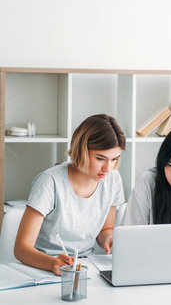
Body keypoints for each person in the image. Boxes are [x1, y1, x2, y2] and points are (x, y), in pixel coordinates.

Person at [14, 114, 126, 275]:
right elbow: (21, 248)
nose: (108, 168)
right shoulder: (49, 182)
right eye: (100, 158)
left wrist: (109, 239)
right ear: (81, 149)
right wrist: (53, 263)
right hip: (44, 268)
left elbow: (105, 229)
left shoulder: (113, 179)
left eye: (115, 159)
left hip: (84, 267)